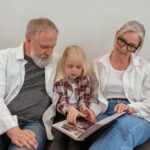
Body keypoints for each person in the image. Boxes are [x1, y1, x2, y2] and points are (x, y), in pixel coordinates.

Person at [88, 21, 150, 150]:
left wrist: (130, 108)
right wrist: (89, 112)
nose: (123, 49)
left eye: (131, 46)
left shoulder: (145, 68)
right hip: (104, 113)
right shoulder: (97, 65)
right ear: (116, 35)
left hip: (136, 115)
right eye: (122, 41)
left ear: (137, 48)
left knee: (122, 125)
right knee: (98, 129)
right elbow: (92, 98)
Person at [0, 17, 60, 150]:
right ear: (28, 40)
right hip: (4, 118)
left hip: (34, 124)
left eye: (53, 46)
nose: (49, 52)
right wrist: (13, 129)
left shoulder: (57, 61)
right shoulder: (4, 58)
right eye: (44, 47)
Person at [48, 45, 101, 150]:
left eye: (78, 67)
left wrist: (83, 107)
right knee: (58, 141)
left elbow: (85, 98)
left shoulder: (85, 80)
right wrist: (69, 109)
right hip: (63, 116)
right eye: (70, 66)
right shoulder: (60, 82)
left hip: (79, 117)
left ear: (83, 67)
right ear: (64, 65)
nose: (74, 70)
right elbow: (60, 102)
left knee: (75, 143)